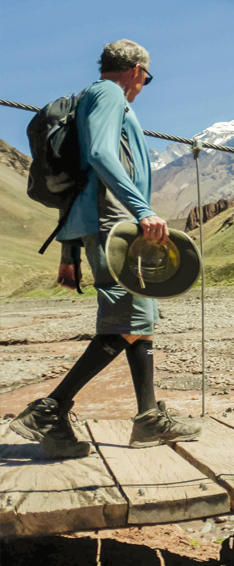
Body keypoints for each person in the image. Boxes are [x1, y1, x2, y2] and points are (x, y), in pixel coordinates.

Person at [11, 40, 201, 458]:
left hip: (105, 222)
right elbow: (97, 154)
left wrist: (69, 254)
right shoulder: (108, 93)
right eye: (146, 79)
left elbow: (80, 180)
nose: (143, 86)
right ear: (135, 70)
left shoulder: (94, 99)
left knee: (139, 318)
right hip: (113, 221)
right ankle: (50, 409)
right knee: (125, 320)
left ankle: (149, 417)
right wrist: (142, 210)